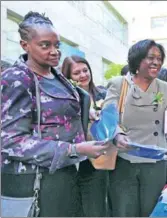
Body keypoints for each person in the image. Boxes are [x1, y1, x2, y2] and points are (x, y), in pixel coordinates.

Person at [0, 11, 123, 217]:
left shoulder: (58, 77)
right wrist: (72, 150)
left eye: (56, 45)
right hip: (39, 181)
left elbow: (70, 115)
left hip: (69, 176)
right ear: (25, 45)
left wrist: (101, 125)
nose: (55, 51)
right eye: (45, 45)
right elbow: (9, 141)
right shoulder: (17, 79)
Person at [103, 39, 167, 217]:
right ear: (137, 60)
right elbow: (108, 120)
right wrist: (117, 136)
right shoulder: (118, 84)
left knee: (152, 212)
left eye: (159, 58)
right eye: (150, 57)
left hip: (155, 163)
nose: (156, 62)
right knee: (124, 212)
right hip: (124, 161)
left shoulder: (166, 89)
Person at [61, 55, 123, 217]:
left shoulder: (102, 93)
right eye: (76, 73)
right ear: (68, 77)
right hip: (75, 157)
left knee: (99, 205)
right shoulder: (66, 98)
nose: (83, 75)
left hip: (101, 157)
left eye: (85, 70)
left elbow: (116, 119)